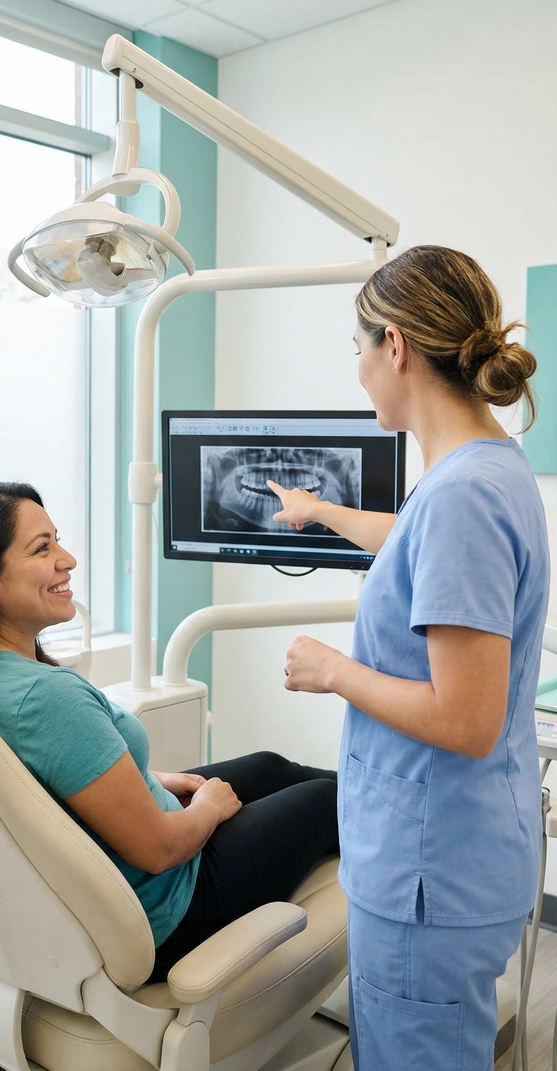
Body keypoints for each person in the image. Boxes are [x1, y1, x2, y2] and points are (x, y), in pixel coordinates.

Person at [268, 245, 550, 1071]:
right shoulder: (486, 468)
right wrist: (322, 510)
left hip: (431, 871)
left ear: (395, 346)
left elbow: (465, 719)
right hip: (461, 855)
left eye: (358, 349)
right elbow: (419, 548)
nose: (358, 371)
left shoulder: (461, 496)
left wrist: (332, 670)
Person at [0, 481, 339, 981]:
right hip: (167, 908)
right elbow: (158, 849)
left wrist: (150, 779)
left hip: (116, 882)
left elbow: (42, 785)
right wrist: (206, 810)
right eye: (43, 548)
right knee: (326, 801)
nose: (68, 559)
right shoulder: (43, 699)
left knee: (271, 767)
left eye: (58, 539)